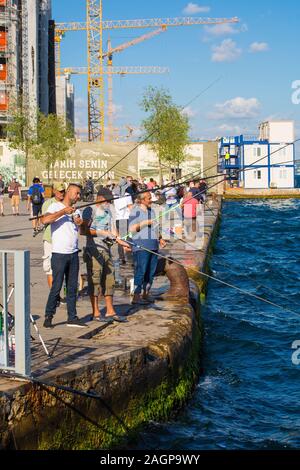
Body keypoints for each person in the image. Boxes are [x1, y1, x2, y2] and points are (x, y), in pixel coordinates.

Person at [81, 188, 130, 322]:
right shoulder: (89, 209)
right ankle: (96, 313)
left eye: (110, 201)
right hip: (94, 249)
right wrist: (101, 233)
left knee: (109, 280)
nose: (109, 203)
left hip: (107, 250)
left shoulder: (111, 209)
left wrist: (122, 242)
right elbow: (84, 231)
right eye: (107, 200)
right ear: (100, 198)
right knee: (95, 281)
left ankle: (110, 311)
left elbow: (114, 230)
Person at [42, 183, 85, 329]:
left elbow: (79, 223)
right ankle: (48, 316)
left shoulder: (76, 209)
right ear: (68, 192)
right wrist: (63, 212)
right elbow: (45, 220)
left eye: (79, 194)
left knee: (72, 287)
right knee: (57, 286)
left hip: (73, 253)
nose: (78, 196)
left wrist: (78, 221)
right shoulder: (55, 206)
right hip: (59, 254)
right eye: (77, 193)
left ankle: (72, 317)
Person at [129, 191, 166, 305]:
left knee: (150, 272)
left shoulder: (152, 211)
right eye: (149, 198)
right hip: (141, 246)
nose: (151, 200)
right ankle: (136, 296)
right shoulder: (135, 211)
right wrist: (145, 222)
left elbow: (155, 227)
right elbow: (132, 229)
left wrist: (160, 238)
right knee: (141, 271)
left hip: (153, 245)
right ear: (142, 200)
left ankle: (146, 293)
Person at [41, 182, 66, 289]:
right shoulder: (48, 204)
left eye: (63, 191)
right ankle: (54, 296)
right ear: (54, 191)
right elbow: (45, 220)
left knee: (63, 268)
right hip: (50, 239)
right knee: (50, 268)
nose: (62, 193)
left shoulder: (67, 202)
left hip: (63, 241)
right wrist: (62, 212)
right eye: (60, 191)